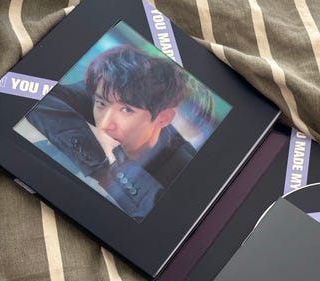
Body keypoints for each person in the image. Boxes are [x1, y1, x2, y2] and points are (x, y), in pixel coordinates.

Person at [27, 45, 211, 220]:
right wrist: (96, 157)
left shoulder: (184, 170)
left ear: (163, 119)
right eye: (101, 103)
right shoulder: (108, 91)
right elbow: (29, 91)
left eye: (126, 110)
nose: (104, 124)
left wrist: (110, 168)